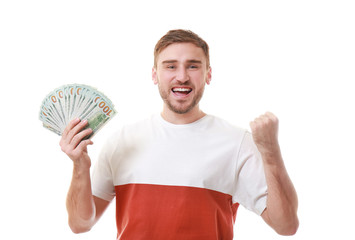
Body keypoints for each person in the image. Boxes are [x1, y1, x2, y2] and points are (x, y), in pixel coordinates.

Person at [60, 29, 299, 240]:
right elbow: (80, 224)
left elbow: (286, 225)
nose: (182, 76)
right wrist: (80, 164)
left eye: (193, 66)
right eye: (171, 66)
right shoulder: (121, 141)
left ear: (208, 74)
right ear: (154, 75)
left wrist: (271, 154)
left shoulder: (237, 142)